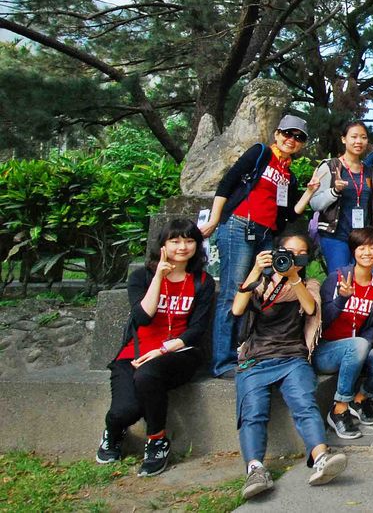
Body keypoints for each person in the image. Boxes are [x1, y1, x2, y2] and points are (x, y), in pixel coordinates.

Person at [200, 114, 319, 378]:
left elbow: (289, 213)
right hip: (239, 225)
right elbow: (227, 183)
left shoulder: (288, 174)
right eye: (288, 134)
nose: (292, 140)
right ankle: (223, 362)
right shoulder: (260, 153)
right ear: (277, 134)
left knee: (260, 292)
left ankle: (247, 351)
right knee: (234, 291)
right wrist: (215, 218)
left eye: (298, 137)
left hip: (265, 234)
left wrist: (309, 192)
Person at [231, 233, 347, 499]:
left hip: (292, 356)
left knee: (304, 403)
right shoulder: (259, 283)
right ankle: (255, 469)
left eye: (299, 253)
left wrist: (294, 278)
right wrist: (255, 269)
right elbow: (238, 309)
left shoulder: (308, 283)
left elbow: (309, 309)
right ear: (276, 252)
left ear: (306, 257)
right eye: (287, 252)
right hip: (255, 358)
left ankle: (320, 457)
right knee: (253, 413)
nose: (292, 257)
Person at [97, 219, 213, 476]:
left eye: (189, 240)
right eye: (175, 241)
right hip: (135, 353)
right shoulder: (141, 277)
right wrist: (159, 277)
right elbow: (142, 317)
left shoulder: (203, 281)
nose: (182, 247)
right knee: (124, 411)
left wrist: (163, 350)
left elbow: (197, 329)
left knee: (148, 374)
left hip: (178, 353)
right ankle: (113, 431)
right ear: (162, 245)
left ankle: (157, 440)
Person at [315, 228, 373, 440]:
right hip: (327, 351)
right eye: (361, 247)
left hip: (357, 349)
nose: (367, 252)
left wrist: (364, 346)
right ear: (353, 251)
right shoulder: (337, 278)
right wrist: (341, 299)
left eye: (372, 247)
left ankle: (359, 400)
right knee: (358, 344)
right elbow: (321, 322)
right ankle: (339, 408)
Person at [311, 120, 373, 272]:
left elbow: (370, 207)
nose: (358, 141)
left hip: (362, 239)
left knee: (365, 281)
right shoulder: (330, 166)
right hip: (335, 236)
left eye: (363, 137)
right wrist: (334, 191)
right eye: (354, 137)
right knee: (340, 281)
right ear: (343, 139)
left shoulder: (370, 172)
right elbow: (314, 203)